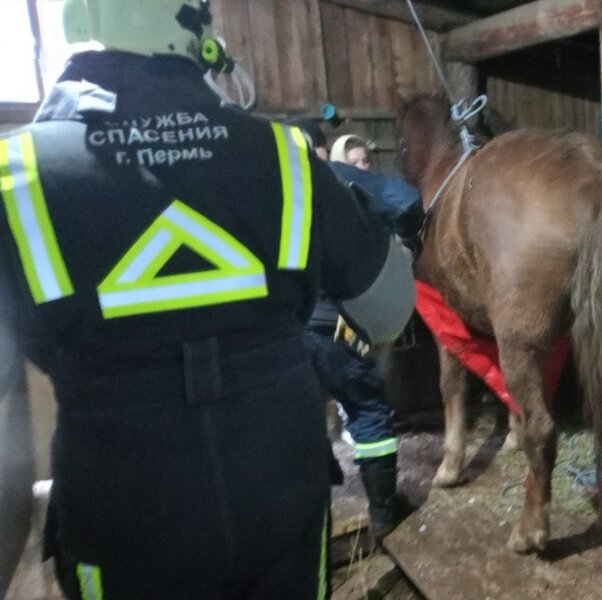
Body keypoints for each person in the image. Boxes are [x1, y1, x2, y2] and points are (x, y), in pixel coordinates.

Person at [0, 1, 414, 598]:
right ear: (196, 32)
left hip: (122, 517)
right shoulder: (286, 158)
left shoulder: (17, 177)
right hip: (278, 497)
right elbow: (390, 309)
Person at [297, 123, 422, 542]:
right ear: (318, 150)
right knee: (367, 409)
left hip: (277, 330)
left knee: (299, 420)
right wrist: (405, 251)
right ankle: (384, 514)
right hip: (332, 321)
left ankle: (312, 522)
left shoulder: (256, 182)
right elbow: (405, 202)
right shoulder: (330, 175)